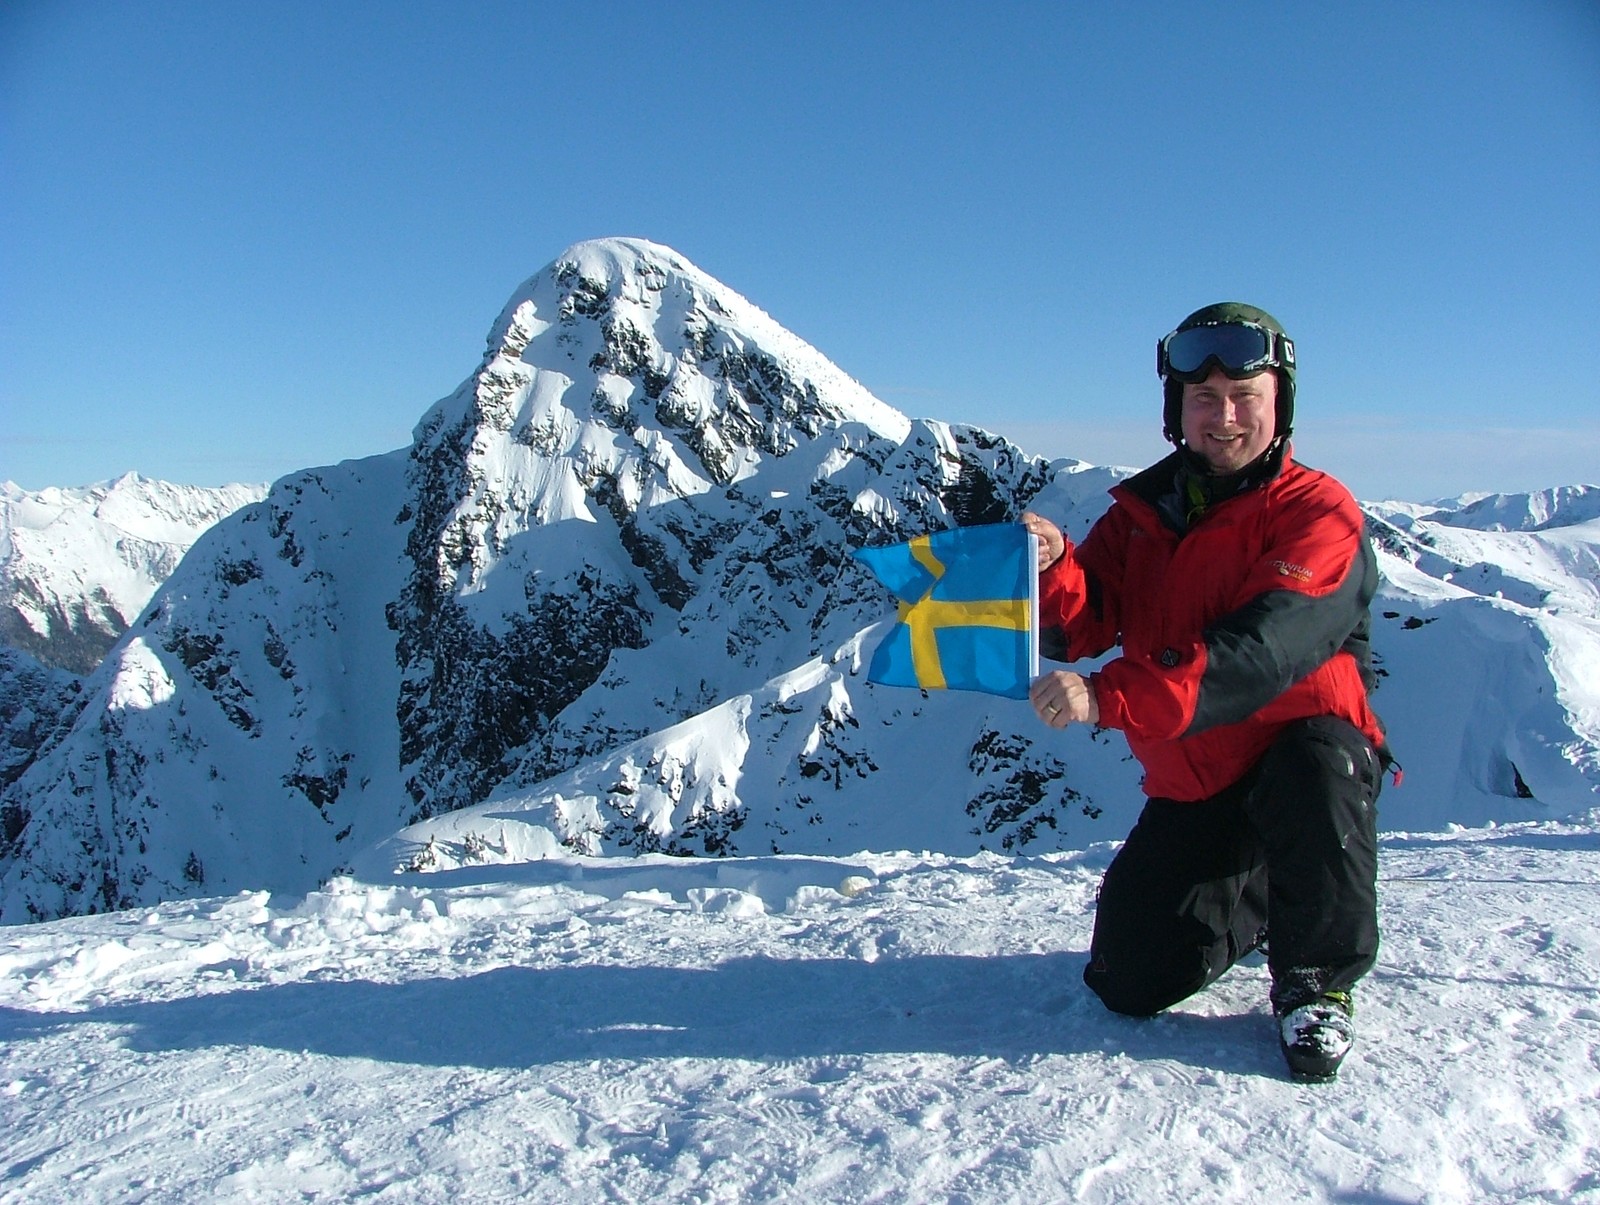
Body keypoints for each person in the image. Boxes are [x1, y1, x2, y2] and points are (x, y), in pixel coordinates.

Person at [1022, 302, 1391, 1081]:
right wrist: (1056, 569)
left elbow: (1260, 654)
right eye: (1204, 397)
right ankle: (1268, 894)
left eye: (1244, 396)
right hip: (1201, 781)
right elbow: (1083, 625)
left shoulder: (1320, 513)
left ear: (1279, 404)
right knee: (1128, 978)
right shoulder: (1142, 516)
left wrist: (1108, 697)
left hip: (1300, 764)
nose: (1223, 417)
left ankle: (1316, 980)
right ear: (1177, 409)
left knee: (1316, 763)